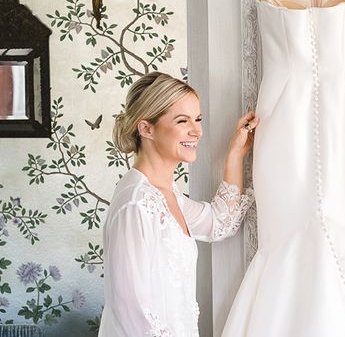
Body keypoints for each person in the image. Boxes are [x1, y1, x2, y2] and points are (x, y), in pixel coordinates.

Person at [99, 71, 258, 337]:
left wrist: (234, 155)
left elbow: (221, 223)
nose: (196, 131)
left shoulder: (165, 194)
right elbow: (129, 308)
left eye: (197, 119)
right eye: (182, 121)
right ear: (146, 128)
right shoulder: (136, 203)